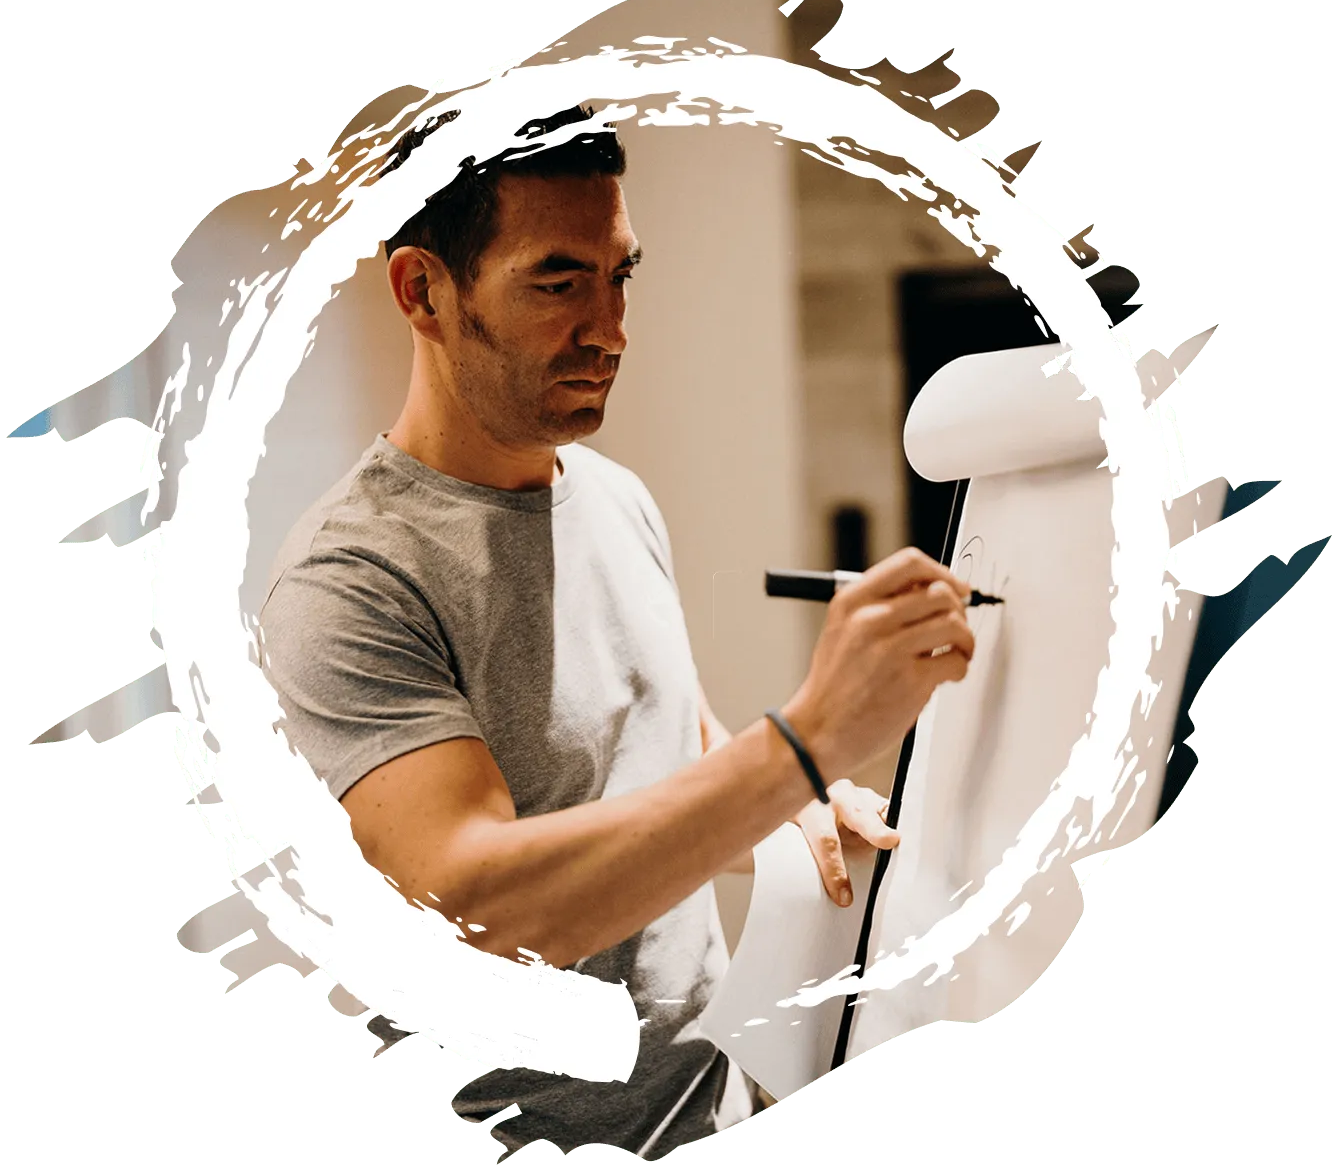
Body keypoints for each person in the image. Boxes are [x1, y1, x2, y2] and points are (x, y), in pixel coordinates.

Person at [258, 104, 975, 1159]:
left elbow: (657, 742)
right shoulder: (349, 581)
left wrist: (793, 806)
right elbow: (477, 908)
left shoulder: (615, 499)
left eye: (621, 274)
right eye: (559, 282)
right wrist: (802, 742)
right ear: (423, 290)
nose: (610, 328)